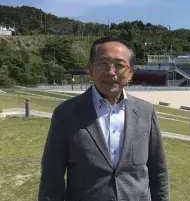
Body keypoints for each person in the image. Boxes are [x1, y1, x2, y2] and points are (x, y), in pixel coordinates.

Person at [38, 36, 169, 201]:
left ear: (130, 73)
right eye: (103, 63)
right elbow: (52, 175)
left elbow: (158, 170)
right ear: (91, 69)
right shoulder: (66, 113)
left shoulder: (146, 111)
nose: (111, 72)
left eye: (119, 65)